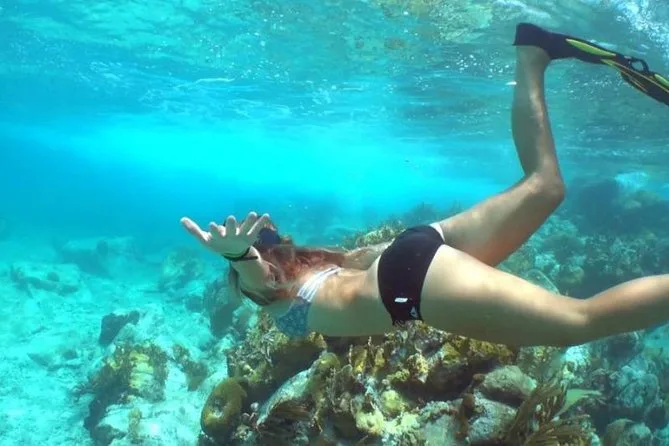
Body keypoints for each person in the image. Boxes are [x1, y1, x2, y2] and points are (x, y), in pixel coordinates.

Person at [181, 23, 669, 347]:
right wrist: (251, 253)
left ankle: (533, 55)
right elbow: (351, 256)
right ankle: (533, 52)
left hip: (407, 285)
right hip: (415, 246)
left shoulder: (272, 297)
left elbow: (259, 280)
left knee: (578, 323)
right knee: (545, 185)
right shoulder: (322, 262)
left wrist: (237, 257)